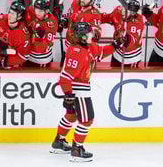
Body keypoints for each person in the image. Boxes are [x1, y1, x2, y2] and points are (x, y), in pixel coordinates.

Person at [51, 22, 129, 162]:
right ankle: (77, 149)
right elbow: (65, 77)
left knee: (71, 116)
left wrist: (116, 44)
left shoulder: (89, 46)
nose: (92, 34)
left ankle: (58, 142)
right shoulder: (75, 52)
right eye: (89, 33)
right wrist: (68, 93)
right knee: (87, 120)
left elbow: (102, 52)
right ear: (82, 36)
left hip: (78, 89)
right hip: (78, 91)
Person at [0, 1, 30, 69]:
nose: (9, 15)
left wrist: (5, 61)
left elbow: (24, 56)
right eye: (9, 12)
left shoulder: (24, 34)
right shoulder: (0, 18)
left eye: (13, 14)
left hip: (8, 63)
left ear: (19, 17)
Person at [101, 0, 144, 68]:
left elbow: (132, 40)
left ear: (133, 13)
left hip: (131, 56)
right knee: (113, 75)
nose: (122, 11)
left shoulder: (138, 21)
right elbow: (108, 17)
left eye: (126, 10)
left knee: (129, 77)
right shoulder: (118, 11)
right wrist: (95, 18)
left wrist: (127, 39)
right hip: (117, 52)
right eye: (123, 8)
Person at [24, 0, 58, 67]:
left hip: (42, 59)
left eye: (40, 11)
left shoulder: (51, 24)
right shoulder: (33, 10)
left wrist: (41, 37)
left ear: (47, 11)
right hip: (28, 56)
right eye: (36, 10)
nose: (37, 13)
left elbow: (43, 48)